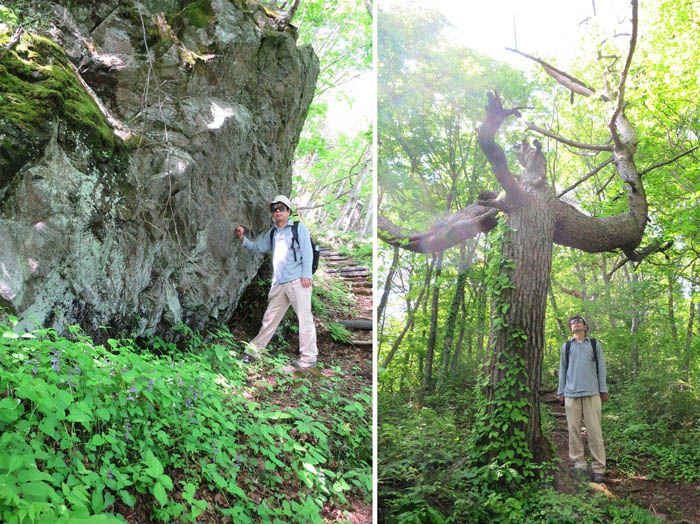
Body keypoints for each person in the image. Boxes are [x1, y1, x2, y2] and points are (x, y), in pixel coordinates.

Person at [234, 195, 318, 370]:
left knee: (305, 319)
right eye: (274, 208)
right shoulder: (273, 232)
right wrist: (243, 239)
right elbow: (258, 247)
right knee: (269, 319)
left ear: (288, 211)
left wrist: (307, 275)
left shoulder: (298, 228)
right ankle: (252, 353)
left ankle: (309, 359)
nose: (278, 211)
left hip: (298, 281)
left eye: (281, 208)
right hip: (279, 283)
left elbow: (307, 252)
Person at [557, 315, 609, 483]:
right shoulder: (566, 347)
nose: (575, 324)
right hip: (571, 395)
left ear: (585, 327)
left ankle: (598, 468)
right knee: (574, 431)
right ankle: (579, 465)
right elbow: (562, 370)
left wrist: (603, 390)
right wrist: (561, 391)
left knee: (594, 432)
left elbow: (601, 369)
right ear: (571, 328)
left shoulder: (594, 345)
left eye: (579, 321)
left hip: (592, 394)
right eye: (572, 323)